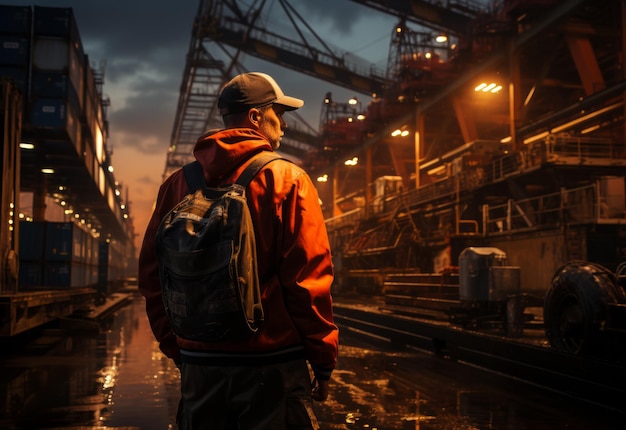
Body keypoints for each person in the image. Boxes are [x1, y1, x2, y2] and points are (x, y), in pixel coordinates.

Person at [138, 72, 338, 429]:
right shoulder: (288, 180)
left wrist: (179, 348)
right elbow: (308, 279)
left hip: (200, 366)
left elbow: (153, 277)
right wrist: (322, 360)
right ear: (256, 117)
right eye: (280, 114)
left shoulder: (177, 185)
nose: (285, 126)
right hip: (272, 366)